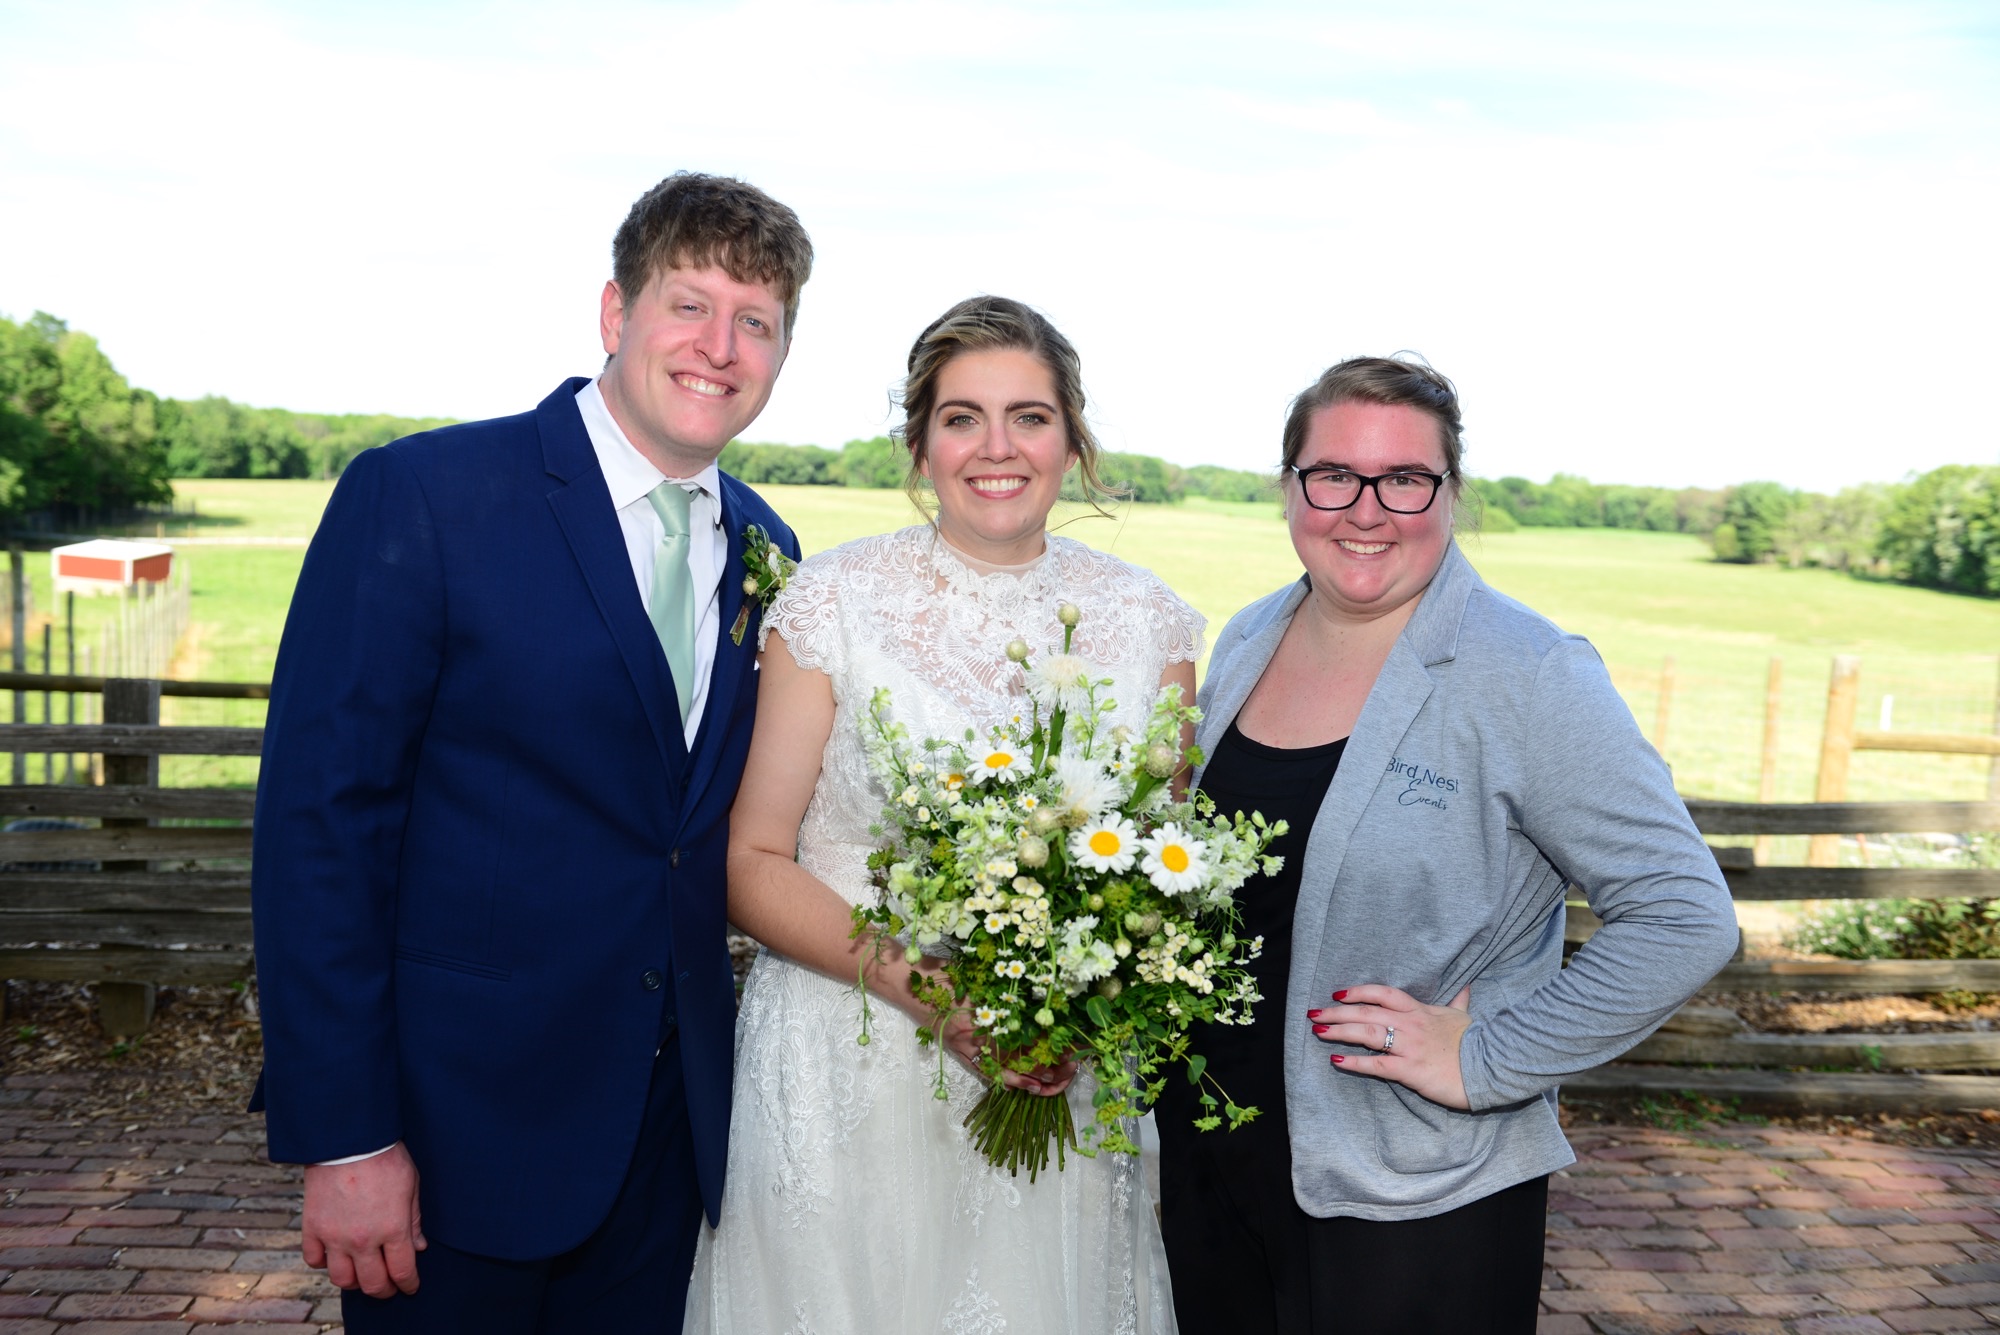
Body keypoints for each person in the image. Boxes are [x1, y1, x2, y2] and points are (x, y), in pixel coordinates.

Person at [249, 171, 812, 1332]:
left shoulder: (767, 543)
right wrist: (347, 1132)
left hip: (665, 1148)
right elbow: (321, 827)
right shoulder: (424, 496)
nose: (720, 346)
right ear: (615, 314)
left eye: (754, 321)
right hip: (456, 1139)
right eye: (689, 305)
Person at [1155, 356, 1740, 1334]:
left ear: (1451, 492)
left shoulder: (1525, 671)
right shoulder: (1252, 635)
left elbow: (1683, 917)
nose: (1364, 509)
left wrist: (1490, 1056)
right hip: (1218, 1156)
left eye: (1404, 479)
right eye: (1331, 474)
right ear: (1288, 486)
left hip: (1411, 1189)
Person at [683, 295, 1194, 1332]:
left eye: (1030, 416)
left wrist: (1079, 1010)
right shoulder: (828, 604)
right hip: (848, 1062)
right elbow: (750, 858)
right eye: (961, 417)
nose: (994, 448)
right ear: (918, 444)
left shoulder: (1151, 622)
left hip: (1063, 1076)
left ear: (1072, 439)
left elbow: (1159, 872)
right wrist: (936, 996)